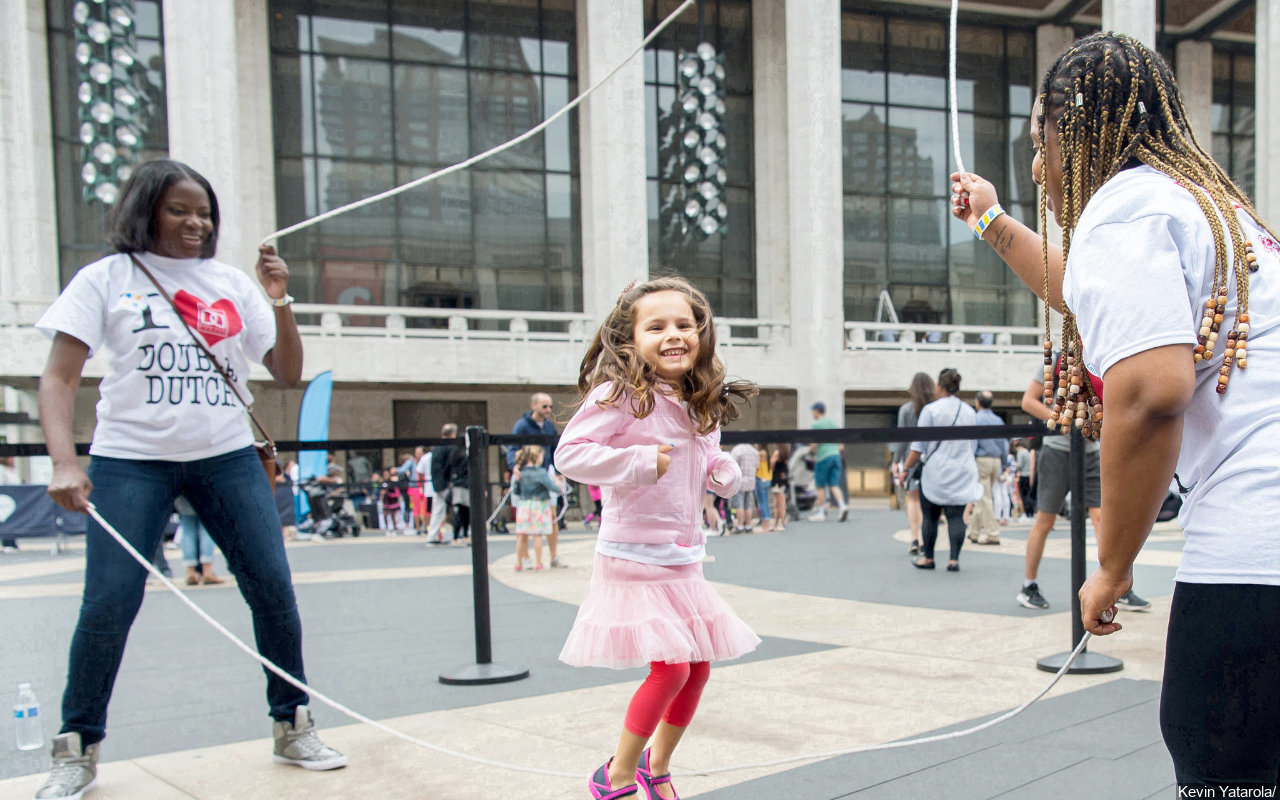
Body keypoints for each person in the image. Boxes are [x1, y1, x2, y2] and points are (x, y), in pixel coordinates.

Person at [954, 32, 1276, 789]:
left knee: (1224, 766)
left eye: (1041, 138)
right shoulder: (1203, 204)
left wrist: (1112, 567)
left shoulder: (1126, 207)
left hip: (1253, 563)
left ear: (1070, 131)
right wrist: (991, 222)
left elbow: (1150, 392)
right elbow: (1084, 289)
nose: (1039, 164)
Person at [33, 159, 346, 799]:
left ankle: (293, 723)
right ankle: (77, 746)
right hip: (130, 459)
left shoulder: (228, 281)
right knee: (109, 602)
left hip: (225, 454)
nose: (195, 222)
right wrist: (65, 460)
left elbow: (287, 372)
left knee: (272, 587)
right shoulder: (105, 279)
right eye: (179, 209)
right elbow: (58, 377)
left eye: (203, 211)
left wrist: (279, 298)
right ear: (145, 210)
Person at [554, 277, 760, 800]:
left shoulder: (699, 400)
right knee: (670, 667)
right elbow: (569, 454)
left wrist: (724, 472)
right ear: (631, 339)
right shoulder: (621, 395)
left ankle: (656, 766)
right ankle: (616, 774)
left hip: (681, 555)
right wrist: (636, 462)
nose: (673, 335)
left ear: (701, 333)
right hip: (632, 554)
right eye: (657, 326)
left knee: (698, 668)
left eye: (684, 325)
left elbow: (706, 461)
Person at [901, 369, 982, 571]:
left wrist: (905, 468)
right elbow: (973, 445)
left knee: (930, 517)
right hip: (963, 470)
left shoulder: (931, 410)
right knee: (956, 516)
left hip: (936, 472)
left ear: (939, 386)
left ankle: (928, 558)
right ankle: (954, 560)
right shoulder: (969, 412)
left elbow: (918, 447)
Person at [508, 392, 567, 565]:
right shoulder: (522, 426)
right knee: (524, 519)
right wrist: (514, 466)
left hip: (545, 471)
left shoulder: (549, 426)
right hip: (526, 473)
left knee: (552, 515)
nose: (548, 410)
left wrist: (558, 470)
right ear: (534, 406)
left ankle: (554, 555)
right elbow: (513, 448)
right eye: (544, 406)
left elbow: (555, 449)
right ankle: (525, 557)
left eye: (550, 406)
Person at [890, 372, 935, 555]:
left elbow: (902, 439)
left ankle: (915, 538)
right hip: (932, 459)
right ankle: (926, 540)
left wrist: (896, 462)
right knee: (928, 501)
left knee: (913, 499)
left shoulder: (907, 410)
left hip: (912, 459)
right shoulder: (935, 408)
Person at [968, 390, 1007, 546]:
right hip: (996, 461)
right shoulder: (998, 420)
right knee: (983, 497)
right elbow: (1004, 443)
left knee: (984, 498)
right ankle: (974, 532)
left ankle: (993, 534)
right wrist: (1004, 464)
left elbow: (972, 442)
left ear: (977, 402)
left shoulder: (975, 419)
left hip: (981, 460)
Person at [511, 445, 559, 571]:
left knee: (521, 535)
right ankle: (538, 563)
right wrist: (558, 484)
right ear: (537, 457)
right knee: (537, 535)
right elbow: (553, 487)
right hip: (539, 505)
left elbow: (515, 491)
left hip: (524, 505)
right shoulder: (541, 473)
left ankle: (518, 563)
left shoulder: (521, 472)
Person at [806, 401, 848, 522]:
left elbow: (814, 443)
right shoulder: (833, 423)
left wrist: (808, 450)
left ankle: (820, 513)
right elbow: (841, 445)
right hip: (836, 456)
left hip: (823, 457)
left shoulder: (817, 424)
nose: (812, 413)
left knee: (820, 486)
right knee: (834, 484)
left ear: (816, 411)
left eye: (813, 410)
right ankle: (842, 506)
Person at [173, 496, 223, 586]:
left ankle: (190, 572)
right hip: (204, 493)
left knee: (187, 531)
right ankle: (207, 571)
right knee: (207, 530)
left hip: (182, 496)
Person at [425, 424, 457, 544]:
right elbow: (450, 465)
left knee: (438, 509)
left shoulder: (437, 447)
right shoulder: (448, 447)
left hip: (437, 482)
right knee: (456, 507)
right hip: (446, 483)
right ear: (452, 434)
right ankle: (459, 533)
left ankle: (432, 535)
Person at [728, 442, 760, 532]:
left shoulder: (737, 450)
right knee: (748, 505)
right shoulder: (754, 452)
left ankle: (740, 525)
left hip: (740, 481)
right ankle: (749, 525)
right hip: (751, 481)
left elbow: (732, 465)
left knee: (739, 505)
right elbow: (757, 466)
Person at [1, 455, 22, 552]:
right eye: (10, 457)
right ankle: (7, 543)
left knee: (12, 521)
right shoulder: (2, 469)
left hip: (14, 500)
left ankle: (12, 542)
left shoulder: (12, 470)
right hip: (4, 500)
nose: (12, 459)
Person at [768, 444, 790, 531]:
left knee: (780, 504)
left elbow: (771, 464)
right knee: (778, 503)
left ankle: (783, 523)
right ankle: (776, 524)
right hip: (783, 479)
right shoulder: (786, 452)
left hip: (777, 480)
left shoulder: (777, 452)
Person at [1013, 439, 1035, 520]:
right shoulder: (1027, 452)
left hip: (1022, 475)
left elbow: (1020, 465)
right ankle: (1030, 512)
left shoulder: (1020, 452)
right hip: (1029, 475)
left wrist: (1015, 465)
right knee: (1028, 494)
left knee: (1023, 496)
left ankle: (1025, 513)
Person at [753, 444, 773, 531]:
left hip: (760, 478)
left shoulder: (760, 453)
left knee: (762, 502)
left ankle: (765, 524)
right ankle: (767, 522)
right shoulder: (767, 453)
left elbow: (756, 465)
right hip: (767, 479)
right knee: (765, 501)